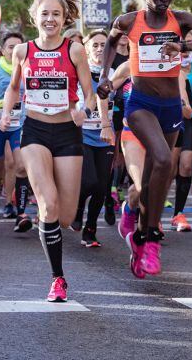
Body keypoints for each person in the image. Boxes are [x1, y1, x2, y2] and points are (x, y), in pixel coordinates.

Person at [96, 0, 192, 278]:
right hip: (141, 104)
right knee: (162, 160)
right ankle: (152, 237)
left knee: (158, 174)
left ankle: (137, 224)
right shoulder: (128, 21)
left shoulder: (180, 19)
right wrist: (104, 75)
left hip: (170, 106)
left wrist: (184, 46)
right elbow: (112, 42)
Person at [1, 0, 95, 301]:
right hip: (34, 132)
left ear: (64, 17)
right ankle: (57, 278)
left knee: (65, 217)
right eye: (45, 13)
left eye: (56, 14)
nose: (50, 19)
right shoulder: (23, 51)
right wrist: (5, 114)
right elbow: (14, 89)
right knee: (48, 204)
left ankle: (54, 226)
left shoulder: (75, 51)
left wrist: (86, 110)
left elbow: (89, 93)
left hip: (68, 133)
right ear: (35, 18)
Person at [74, 29, 116, 248]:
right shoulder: (78, 72)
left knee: (102, 187)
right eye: (96, 45)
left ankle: (90, 230)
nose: (100, 49)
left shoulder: (114, 73)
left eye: (104, 45)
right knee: (88, 180)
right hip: (82, 134)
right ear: (86, 48)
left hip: (106, 135)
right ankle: (78, 209)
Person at [0, 32, 25, 223]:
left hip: (19, 125)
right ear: (2, 50)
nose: (15, 51)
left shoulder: (28, 69)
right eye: (11, 47)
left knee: (17, 163)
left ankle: (13, 205)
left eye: (19, 47)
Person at [170, 51, 192, 232]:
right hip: (170, 118)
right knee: (168, 169)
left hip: (190, 119)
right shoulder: (167, 63)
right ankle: (153, 215)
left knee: (186, 166)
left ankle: (178, 213)